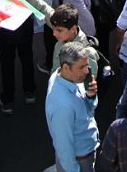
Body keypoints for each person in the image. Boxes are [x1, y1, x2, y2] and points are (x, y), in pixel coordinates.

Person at [46, 43, 100, 172]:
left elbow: (87, 111)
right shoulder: (62, 107)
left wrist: (90, 96)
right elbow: (64, 147)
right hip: (80, 160)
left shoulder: (61, 76)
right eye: (81, 67)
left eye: (87, 65)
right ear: (66, 67)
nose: (87, 71)